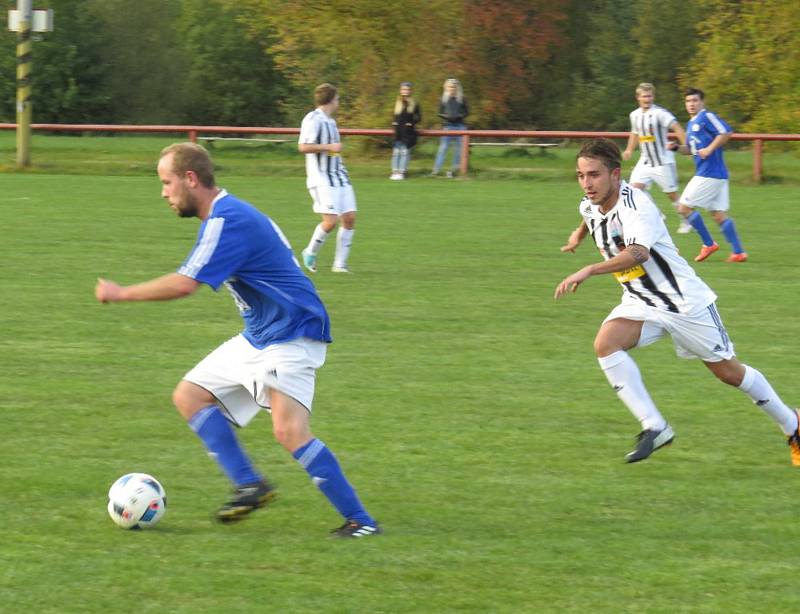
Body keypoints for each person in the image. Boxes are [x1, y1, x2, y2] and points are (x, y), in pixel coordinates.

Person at [94, 142, 381, 538]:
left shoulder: (227, 221)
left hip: (293, 331)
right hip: (262, 334)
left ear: (190, 179)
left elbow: (184, 285)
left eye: (167, 182)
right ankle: (250, 485)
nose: (163, 192)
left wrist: (121, 292)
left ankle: (362, 522)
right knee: (189, 395)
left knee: (289, 431)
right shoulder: (229, 214)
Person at [555, 138, 798, 464]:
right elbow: (590, 217)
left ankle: (792, 423)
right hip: (642, 300)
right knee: (605, 344)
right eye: (581, 175)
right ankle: (655, 426)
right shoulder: (589, 204)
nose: (586, 183)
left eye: (594, 175)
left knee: (729, 373)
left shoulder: (637, 205)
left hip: (685, 303)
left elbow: (638, 253)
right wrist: (577, 236)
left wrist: (589, 269)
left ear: (615, 174)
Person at [675, 87, 747, 263]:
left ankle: (708, 244)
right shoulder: (691, 124)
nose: (691, 104)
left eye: (695, 100)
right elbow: (691, 150)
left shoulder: (706, 116)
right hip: (717, 175)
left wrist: (710, 148)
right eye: (688, 101)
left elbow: (726, 132)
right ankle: (738, 252)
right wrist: (676, 147)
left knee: (684, 208)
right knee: (718, 215)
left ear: (702, 102)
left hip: (709, 173)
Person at [298, 83, 356, 274]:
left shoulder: (330, 121)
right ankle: (310, 252)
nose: (338, 102)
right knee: (330, 221)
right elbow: (303, 147)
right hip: (321, 178)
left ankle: (340, 265)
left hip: (339, 176)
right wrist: (329, 147)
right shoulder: (312, 119)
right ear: (331, 100)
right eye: (337, 99)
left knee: (349, 218)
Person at [622, 82, 690, 234]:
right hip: (645, 161)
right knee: (633, 190)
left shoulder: (660, 113)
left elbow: (677, 128)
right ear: (638, 98)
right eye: (644, 96)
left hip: (662, 161)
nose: (647, 99)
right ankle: (657, 215)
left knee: (671, 195)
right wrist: (629, 150)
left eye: (650, 96)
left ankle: (686, 220)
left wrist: (687, 146)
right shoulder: (634, 115)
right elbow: (634, 134)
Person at [431, 78, 468, 178]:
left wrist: (460, 116)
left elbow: (466, 112)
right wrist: (446, 116)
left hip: (460, 126)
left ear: (457, 88)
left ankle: (453, 170)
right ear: (446, 87)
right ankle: (436, 170)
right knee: (443, 148)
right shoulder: (443, 99)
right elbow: (439, 113)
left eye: (454, 86)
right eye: (450, 86)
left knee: (459, 149)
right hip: (447, 126)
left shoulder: (462, 98)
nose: (452, 88)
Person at [390, 81, 421, 180]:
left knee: (404, 152)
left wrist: (411, 123)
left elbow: (419, 116)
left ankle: (402, 171)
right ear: (400, 90)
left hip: (407, 131)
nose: (405, 91)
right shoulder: (397, 102)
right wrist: (394, 123)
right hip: (398, 130)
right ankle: (395, 171)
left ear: (410, 91)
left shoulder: (414, 102)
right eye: (403, 89)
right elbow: (394, 115)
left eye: (407, 89)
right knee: (396, 151)